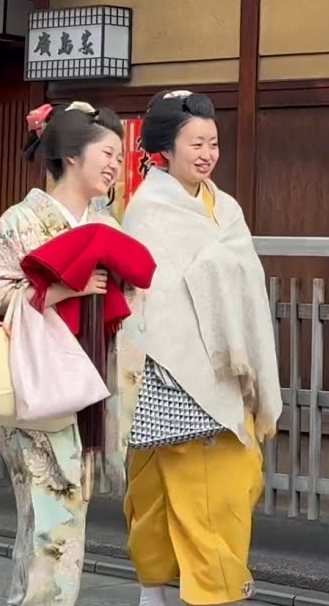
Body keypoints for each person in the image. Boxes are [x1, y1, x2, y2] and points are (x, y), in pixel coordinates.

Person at [117, 89, 283, 606]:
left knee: (222, 489)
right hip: (170, 370)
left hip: (224, 369)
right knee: (172, 491)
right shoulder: (146, 210)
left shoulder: (225, 206)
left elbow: (246, 285)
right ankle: (171, 589)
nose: (208, 154)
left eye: (213, 142)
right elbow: (153, 296)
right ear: (165, 149)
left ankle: (185, 591)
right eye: (196, 144)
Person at [0, 101, 133, 606]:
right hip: (34, 387)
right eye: (107, 153)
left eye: (120, 157)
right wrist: (59, 291)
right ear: (71, 155)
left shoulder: (107, 223)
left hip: (83, 382)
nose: (115, 165)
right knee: (53, 522)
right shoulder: (21, 221)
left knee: (54, 521)